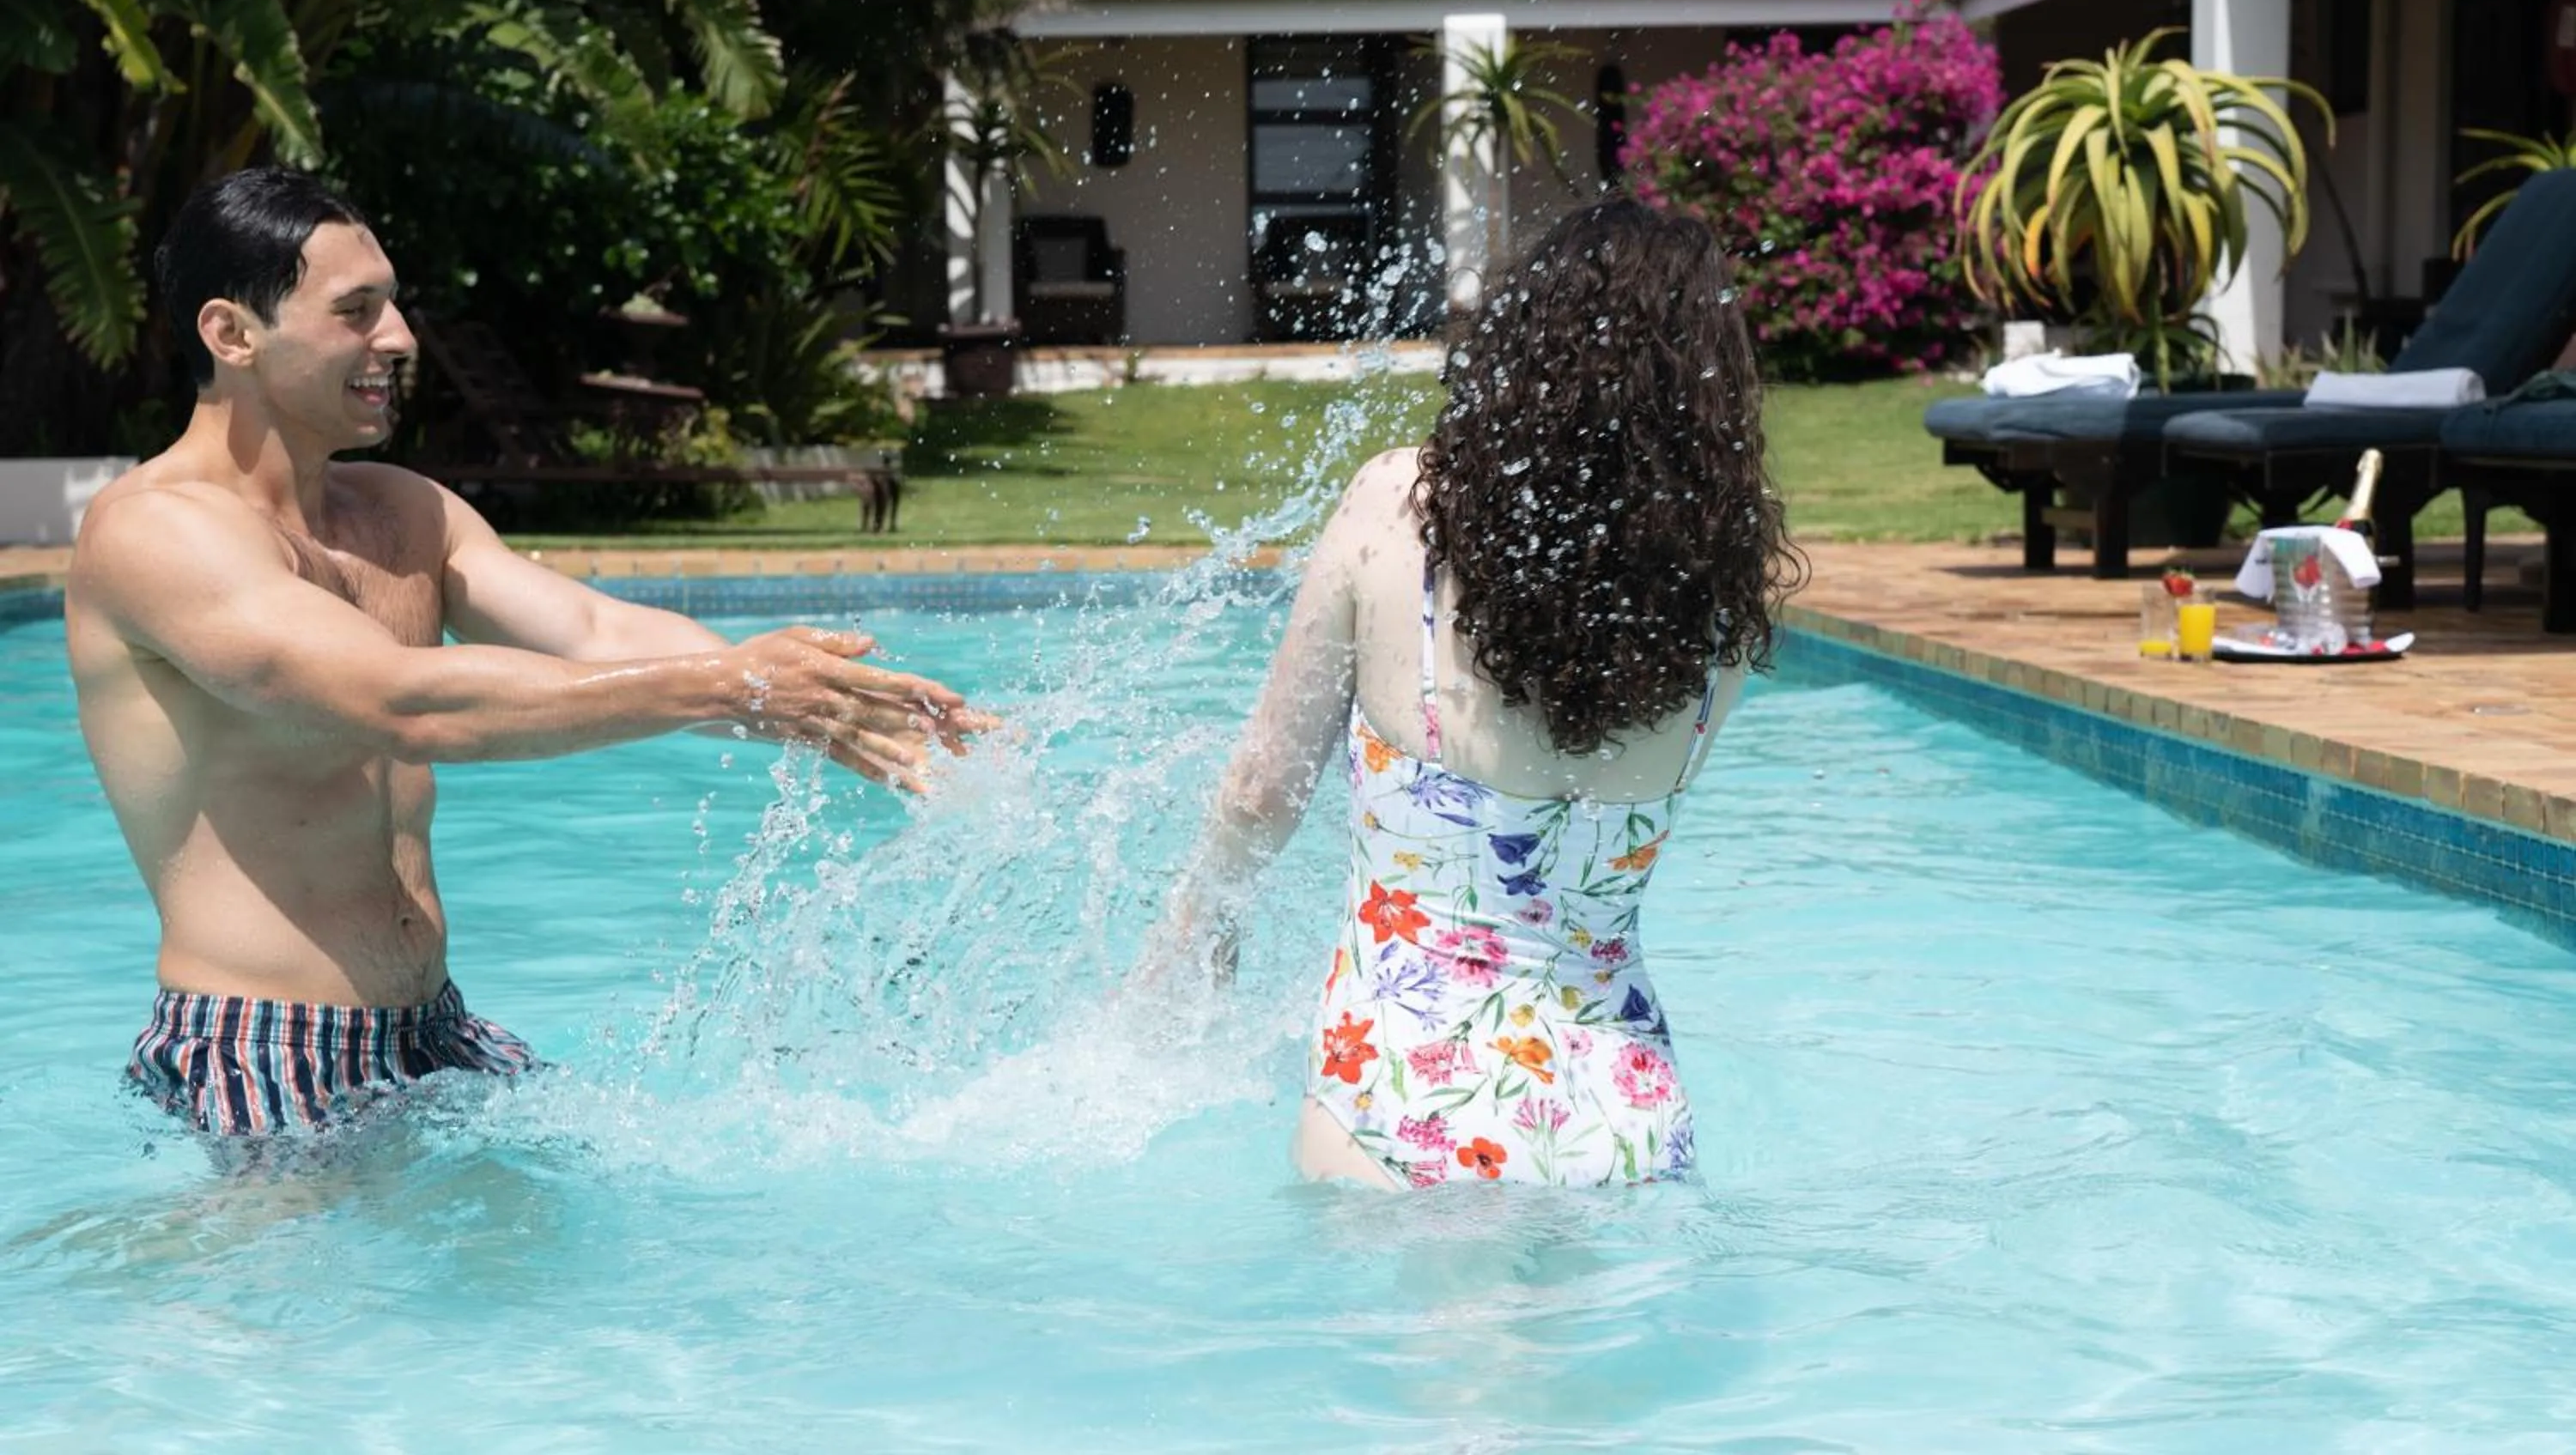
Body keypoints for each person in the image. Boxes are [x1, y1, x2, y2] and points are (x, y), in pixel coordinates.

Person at [65, 167, 990, 1137]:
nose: (400, 338)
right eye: (357, 310)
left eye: (394, 304)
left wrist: (815, 693)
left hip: (437, 1035)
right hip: (262, 1049)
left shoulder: (402, 511)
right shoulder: (159, 534)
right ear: (232, 333)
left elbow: (596, 634)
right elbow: (402, 701)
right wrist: (723, 685)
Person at [1148, 197, 1800, 1188]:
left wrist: (1198, 923)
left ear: (1521, 348)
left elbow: (1260, 792)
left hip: (1400, 1096)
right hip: (1623, 1116)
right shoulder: (1721, 602)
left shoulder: (1395, 508)